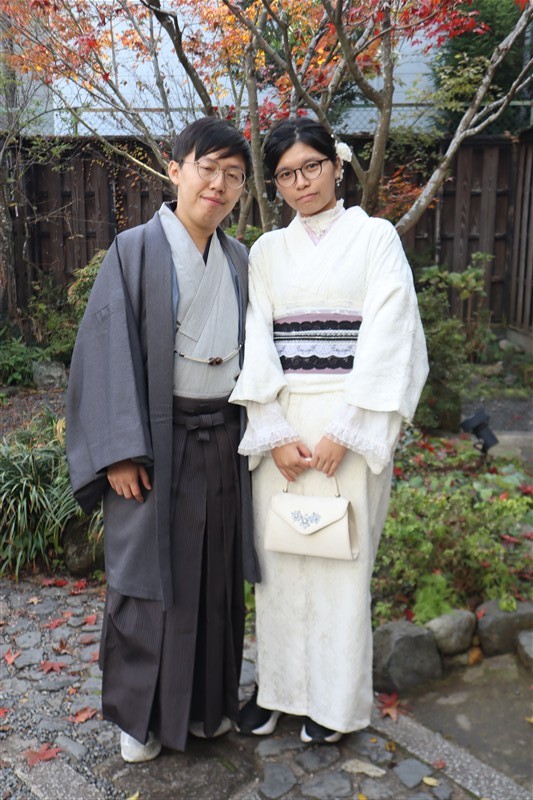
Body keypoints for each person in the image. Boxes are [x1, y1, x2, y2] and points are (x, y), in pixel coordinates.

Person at [66, 117, 260, 762]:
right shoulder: (134, 250)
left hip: (222, 438)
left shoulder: (239, 259)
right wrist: (119, 450)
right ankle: (140, 719)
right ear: (175, 170)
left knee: (213, 574)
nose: (219, 184)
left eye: (234, 175)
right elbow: (103, 348)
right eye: (208, 168)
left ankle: (206, 708)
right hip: (154, 443)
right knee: (147, 578)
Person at [230, 118, 428, 744]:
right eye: (286, 174)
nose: (301, 182)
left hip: (350, 421)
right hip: (285, 425)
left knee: (342, 565)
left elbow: (392, 334)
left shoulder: (375, 238)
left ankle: (335, 705)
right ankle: (278, 691)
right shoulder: (266, 252)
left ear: (336, 166)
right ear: (276, 183)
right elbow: (255, 340)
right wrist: (271, 430)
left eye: (311, 166)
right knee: (281, 562)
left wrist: (348, 429)